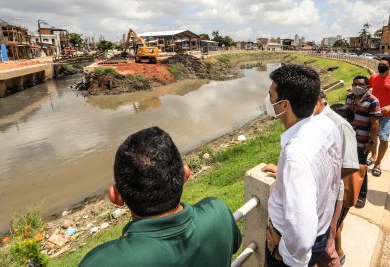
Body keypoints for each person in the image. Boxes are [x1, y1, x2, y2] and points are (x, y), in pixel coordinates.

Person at [79, 127, 241, 267]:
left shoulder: (102, 262)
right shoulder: (218, 212)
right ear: (185, 173)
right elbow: (235, 244)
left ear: (115, 196)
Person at [262, 64, 342, 267]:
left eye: (271, 95)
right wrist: (285, 176)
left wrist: (284, 255)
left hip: (290, 250)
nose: (269, 100)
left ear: (285, 105)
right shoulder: (326, 126)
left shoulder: (295, 157)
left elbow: (301, 234)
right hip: (321, 232)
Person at [314, 94, 359, 267]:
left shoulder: (339, 123)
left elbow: (350, 165)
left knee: (326, 244)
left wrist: (317, 179)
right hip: (315, 192)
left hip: (330, 193)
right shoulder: (312, 121)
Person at [346, 75, 380, 208]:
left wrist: (371, 141)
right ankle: (350, 189)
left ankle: (362, 195)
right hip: (349, 139)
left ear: (367, 86)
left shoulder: (373, 101)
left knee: (361, 167)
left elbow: (375, 123)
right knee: (349, 165)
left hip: (362, 141)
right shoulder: (349, 97)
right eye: (355, 84)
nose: (357, 87)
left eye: (360, 84)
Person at [368, 56, 390, 177]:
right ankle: (373, 155)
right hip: (374, 113)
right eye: (380, 64)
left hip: (387, 115)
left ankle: (378, 163)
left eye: (384, 65)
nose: (381, 66)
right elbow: (368, 89)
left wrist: (389, 107)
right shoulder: (374, 77)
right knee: (374, 135)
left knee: (384, 138)